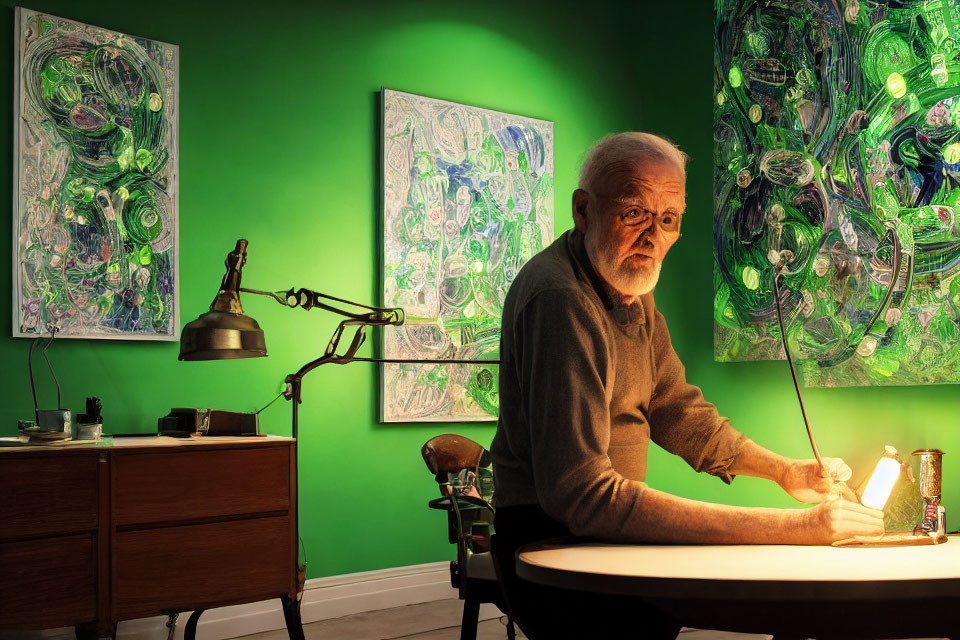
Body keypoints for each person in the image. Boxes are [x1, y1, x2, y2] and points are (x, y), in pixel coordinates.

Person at [488, 132, 885, 639]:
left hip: (603, 541)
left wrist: (785, 471)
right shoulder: (561, 299)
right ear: (584, 211)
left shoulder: (631, 293)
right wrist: (794, 530)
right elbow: (582, 495)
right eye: (634, 213)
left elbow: (679, 413)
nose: (652, 236)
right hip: (554, 551)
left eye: (667, 219)